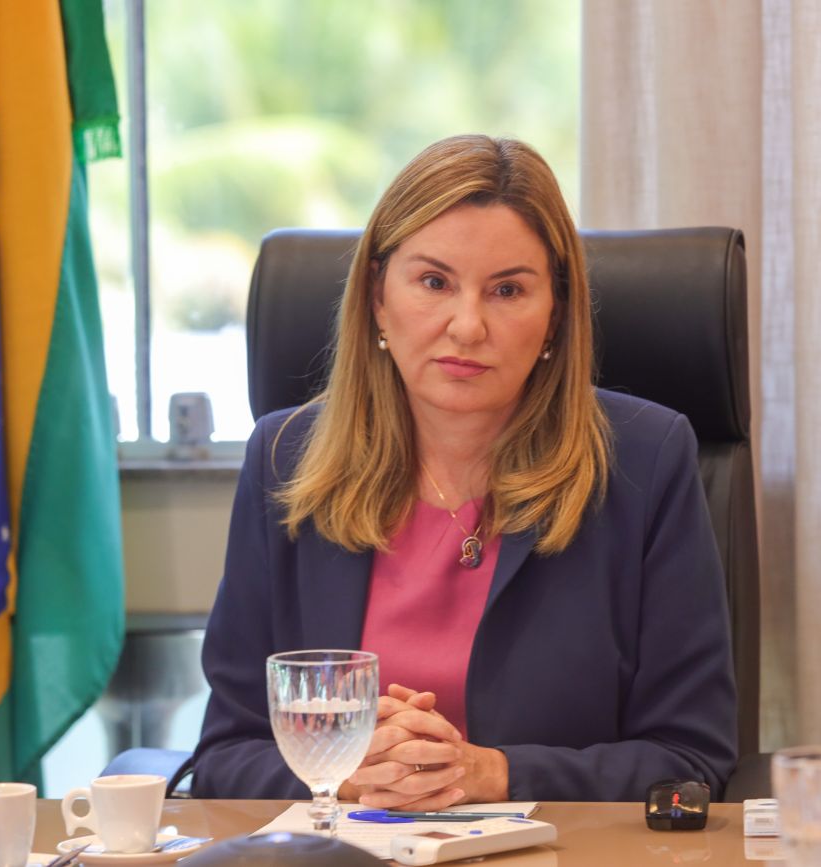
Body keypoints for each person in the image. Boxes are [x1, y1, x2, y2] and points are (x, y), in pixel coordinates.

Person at [189, 134, 737, 806]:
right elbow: (225, 755)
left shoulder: (645, 461)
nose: (468, 326)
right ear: (377, 297)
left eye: (508, 290)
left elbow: (691, 757)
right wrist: (349, 775)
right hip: (346, 847)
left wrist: (488, 773)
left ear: (555, 313)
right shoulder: (285, 458)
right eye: (434, 282)